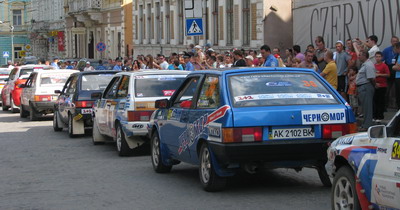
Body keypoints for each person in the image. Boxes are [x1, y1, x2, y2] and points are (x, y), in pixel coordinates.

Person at [356, 51, 376, 131]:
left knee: (367, 107)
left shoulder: (368, 65)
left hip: (366, 86)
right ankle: (365, 124)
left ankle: (367, 125)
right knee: (364, 107)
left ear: (364, 55)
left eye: (360, 55)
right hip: (362, 87)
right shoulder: (364, 65)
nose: (359, 57)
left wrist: (374, 85)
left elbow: (371, 77)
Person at [373, 51, 390, 123]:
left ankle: (380, 116)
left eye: (379, 57)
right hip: (375, 85)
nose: (378, 58)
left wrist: (380, 74)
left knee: (381, 101)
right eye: (376, 56)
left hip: (382, 86)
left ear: (382, 57)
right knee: (375, 101)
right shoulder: (373, 65)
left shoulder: (384, 65)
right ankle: (375, 115)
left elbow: (388, 74)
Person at [392, 42, 400, 108]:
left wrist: (395, 67)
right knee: (397, 94)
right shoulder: (398, 55)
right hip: (397, 76)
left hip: (399, 77)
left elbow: (397, 67)